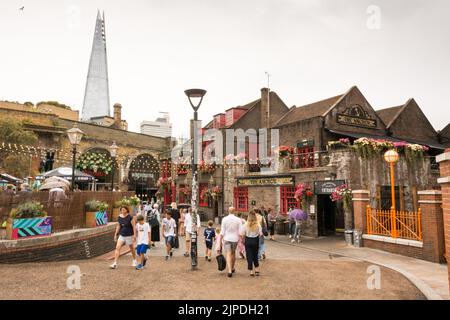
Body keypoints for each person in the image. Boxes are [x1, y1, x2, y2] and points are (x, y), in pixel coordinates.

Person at [220, 207, 242, 278]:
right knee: (233, 253)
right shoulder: (238, 220)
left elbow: (222, 231)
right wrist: (242, 239)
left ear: (228, 211)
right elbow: (240, 231)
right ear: (234, 211)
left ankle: (229, 270)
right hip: (235, 239)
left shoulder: (224, 219)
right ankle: (232, 268)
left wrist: (220, 240)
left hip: (227, 238)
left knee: (228, 254)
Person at [240, 210, 262, 276]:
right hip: (255, 240)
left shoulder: (245, 224)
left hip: (248, 240)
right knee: (255, 255)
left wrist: (242, 240)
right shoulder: (258, 224)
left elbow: (243, 234)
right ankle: (257, 270)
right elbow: (261, 234)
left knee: (249, 255)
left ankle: (251, 271)